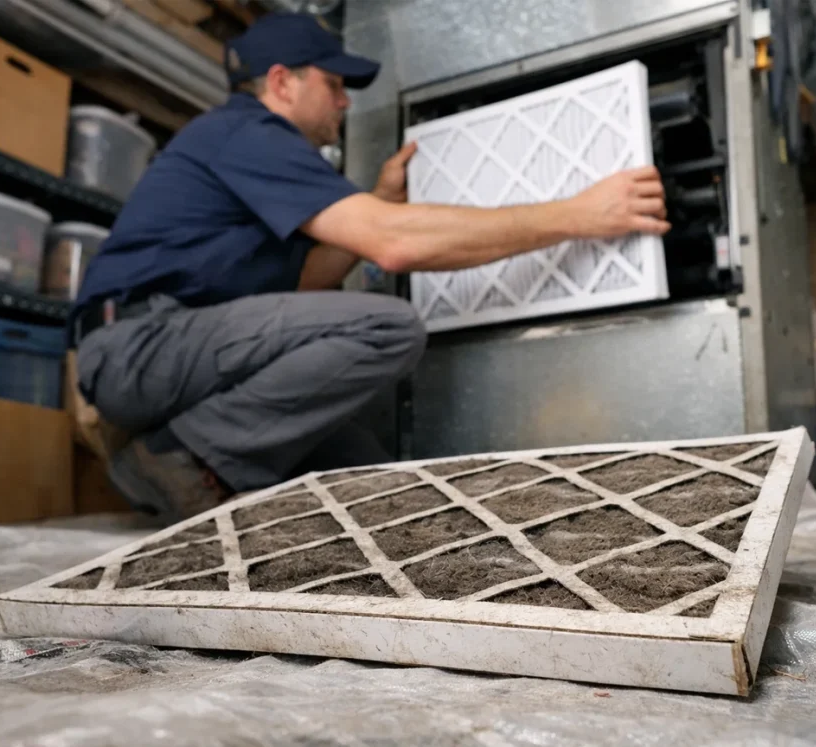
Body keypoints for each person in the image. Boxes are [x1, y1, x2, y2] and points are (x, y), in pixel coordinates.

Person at [70, 13, 670, 526]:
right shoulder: (247, 132)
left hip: (178, 358)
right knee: (387, 326)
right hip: (138, 349)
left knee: (366, 478)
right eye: (333, 84)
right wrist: (577, 215)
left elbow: (303, 283)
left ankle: (179, 457)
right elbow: (394, 247)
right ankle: (183, 459)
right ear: (281, 83)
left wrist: (380, 202)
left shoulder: (251, 148)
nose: (345, 101)